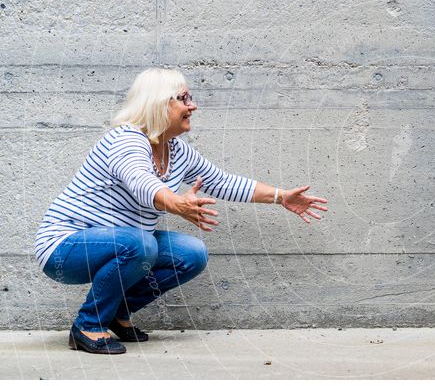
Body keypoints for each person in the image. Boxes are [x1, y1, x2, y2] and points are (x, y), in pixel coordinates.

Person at [35, 68, 328, 354]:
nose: (193, 105)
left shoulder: (176, 150)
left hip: (124, 243)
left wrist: (280, 196)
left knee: (191, 253)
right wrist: (177, 204)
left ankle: (116, 311)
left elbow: (222, 181)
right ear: (160, 103)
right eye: (184, 98)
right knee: (141, 244)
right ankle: (87, 326)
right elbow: (141, 182)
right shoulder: (125, 139)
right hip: (64, 247)